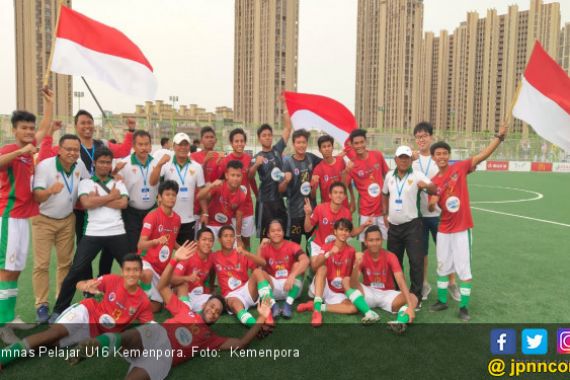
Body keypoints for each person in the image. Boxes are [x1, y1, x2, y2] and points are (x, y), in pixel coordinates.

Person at [73, 243, 272, 380]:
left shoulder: (209, 337)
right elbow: (162, 288)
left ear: (217, 318)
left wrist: (262, 317)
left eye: (217, 311)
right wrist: (174, 260)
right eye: (211, 306)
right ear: (203, 306)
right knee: (129, 337)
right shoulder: (186, 311)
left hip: (164, 355)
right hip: (156, 334)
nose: (213, 310)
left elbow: (241, 343)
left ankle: (99, 344)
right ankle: (93, 345)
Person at [0, 254, 153, 369]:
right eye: (128, 270)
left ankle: (80, 350)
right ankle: (3, 357)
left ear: (140, 272)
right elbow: (79, 284)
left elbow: (149, 326)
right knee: (52, 334)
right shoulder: (111, 280)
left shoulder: (143, 301)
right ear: (122, 271)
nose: (131, 274)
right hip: (86, 312)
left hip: (94, 333)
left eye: (135, 270)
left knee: (50, 345)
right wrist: (86, 286)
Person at [38, 111, 135, 277]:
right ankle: (88, 286)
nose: (87, 126)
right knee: (84, 249)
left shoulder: (102, 144)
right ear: (76, 126)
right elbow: (45, 156)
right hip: (80, 206)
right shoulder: (71, 148)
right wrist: (50, 134)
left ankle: (103, 279)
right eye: (83, 123)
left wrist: (130, 131)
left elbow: (124, 150)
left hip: (104, 202)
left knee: (109, 246)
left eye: (89, 122)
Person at [428, 123, 508, 321]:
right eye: (438, 154)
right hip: (444, 228)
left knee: (463, 268)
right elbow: (431, 206)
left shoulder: (460, 167)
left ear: (449, 155)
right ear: (433, 158)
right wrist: (433, 202)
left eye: (444, 153)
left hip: (462, 228)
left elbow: (483, 155)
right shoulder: (434, 181)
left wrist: (499, 137)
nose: (441, 156)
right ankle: (443, 300)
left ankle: (463, 307)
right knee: (442, 265)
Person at [51, 147, 130, 322]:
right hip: (93, 233)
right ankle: (58, 310)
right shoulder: (86, 182)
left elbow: (123, 203)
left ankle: (136, 305)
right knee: (76, 270)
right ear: (94, 163)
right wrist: (111, 197)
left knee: (132, 268)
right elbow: (86, 203)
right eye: (101, 162)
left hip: (117, 232)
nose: (105, 165)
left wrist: (99, 200)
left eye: (108, 162)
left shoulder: (119, 182)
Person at [0, 88, 52, 343]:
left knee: (16, 269)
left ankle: (8, 317)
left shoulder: (30, 146)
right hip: (9, 217)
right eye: (24, 128)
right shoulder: (11, 150)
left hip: (23, 218)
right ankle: (2, 323)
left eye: (31, 128)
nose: (30, 132)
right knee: (6, 270)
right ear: (14, 129)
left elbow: (45, 127)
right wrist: (20, 152)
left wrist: (49, 103)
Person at [31, 134, 86, 323]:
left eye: (76, 150)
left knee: (65, 264)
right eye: (68, 149)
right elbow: (37, 196)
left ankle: (60, 303)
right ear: (59, 150)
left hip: (67, 219)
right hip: (43, 220)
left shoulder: (79, 166)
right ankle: (41, 306)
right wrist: (49, 191)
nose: (72, 153)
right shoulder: (45, 166)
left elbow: (89, 182)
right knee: (41, 265)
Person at [297, 218, 379, 327]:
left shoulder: (352, 251)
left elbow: (353, 280)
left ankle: (317, 306)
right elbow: (315, 266)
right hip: (324, 285)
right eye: (341, 229)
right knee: (322, 268)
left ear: (349, 233)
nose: (344, 233)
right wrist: (329, 254)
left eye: (346, 230)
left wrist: (357, 264)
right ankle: (317, 313)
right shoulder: (327, 246)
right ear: (335, 231)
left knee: (353, 308)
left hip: (339, 291)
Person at [382, 145, 437, 305]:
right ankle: (397, 292)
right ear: (395, 159)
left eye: (407, 157)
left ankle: (416, 296)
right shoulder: (389, 176)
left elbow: (435, 189)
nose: (404, 160)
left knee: (416, 261)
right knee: (395, 261)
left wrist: (426, 186)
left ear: (410, 160)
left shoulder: (418, 175)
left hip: (413, 225)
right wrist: (385, 213)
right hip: (394, 227)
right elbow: (384, 194)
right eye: (401, 157)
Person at [412, 122, 459, 301]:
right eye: (418, 137)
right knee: (422, 252)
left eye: (424, 136)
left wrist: (435, 198)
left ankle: (452, 283)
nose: (421, 139)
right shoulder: (412, 160)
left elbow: (447, 182)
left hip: (439, 214)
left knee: (446, 250)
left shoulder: (438, 158)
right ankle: (424, 284)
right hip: (419, 216)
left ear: (431, 137)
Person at [350, 226, 418, 333]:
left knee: (413, 297)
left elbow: (400, 280)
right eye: (371, 240)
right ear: (366, 242)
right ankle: (369, 313)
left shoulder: (390, 256)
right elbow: (353, 284)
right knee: (348, 285)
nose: (375, 243)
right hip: (369, 293)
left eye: (377, 240)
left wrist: (410, 306)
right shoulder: (362, 257)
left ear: (382, 240)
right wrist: (355, 265)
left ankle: (400, 322)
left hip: (388, 294)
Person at [210, 226, 274, 327]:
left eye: (231, 236)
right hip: (231, 295)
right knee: (235, 305)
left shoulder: (241, 253)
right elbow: (206, 269)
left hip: (247, 290)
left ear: (234, 239)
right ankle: (256, 327)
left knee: (258, 272)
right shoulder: (214, 256)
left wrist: (247, 253)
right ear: (219, 239)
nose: (228, 239)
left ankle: (268, 314)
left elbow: (262, 264)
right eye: (225, 236)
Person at [150, 132, 205, 245]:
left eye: (186, 144)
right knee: (164, 253)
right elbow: (153, 182)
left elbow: (201, 192)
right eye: (180, 144)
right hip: (167, 219)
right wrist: (159, 164)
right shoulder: (166, 164)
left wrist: (205, 212)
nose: (183, 148)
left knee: (187, 255)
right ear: (174, 146)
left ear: (189, 146)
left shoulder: (197, 167)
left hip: (189, 220)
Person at [137, 180, 181, 312]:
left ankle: (139, 303)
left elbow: (171, 242)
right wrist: (155, 241)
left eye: (173, 195)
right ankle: (134, 296)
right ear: (160, 198)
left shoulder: (177, 219)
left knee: (157, 308)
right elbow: (141, 244)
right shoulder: (152, 216)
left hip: (162, 269)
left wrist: (183, 249)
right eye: (167, 194)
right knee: (147, 273)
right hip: (147, 263)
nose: (171, 198)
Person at [114, 130, 159, 253]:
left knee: (151, 249)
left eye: (146, 144)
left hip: (151, 211)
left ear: (150, 145)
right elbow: (114, 184)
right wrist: (113, 174)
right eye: (140, 144)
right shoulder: (124, 163)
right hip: (131, 213)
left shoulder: (157, 164)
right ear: (134, 146)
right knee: (132, 248)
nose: (144, 148)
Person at [344, 129, 390, 247]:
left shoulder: (377, 155)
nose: (359, 145)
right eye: (356, 143)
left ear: (366, 142)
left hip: (383, 210)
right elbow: (343, 186)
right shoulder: (352, 164)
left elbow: (388, 176)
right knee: (366, 245)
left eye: (361, 142)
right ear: (352, 145)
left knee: (384, 244)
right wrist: (346, 172)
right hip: (366, 211)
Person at [249, 117, 291, 239]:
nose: (267, 137)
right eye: (264, 135)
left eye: (269, 135)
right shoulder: (257, 157)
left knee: (282, 236)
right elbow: (250, 176)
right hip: (264, 202)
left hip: (279, 200)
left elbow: (288, 129)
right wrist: (256, 164)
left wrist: (285, 109)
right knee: (265, 238)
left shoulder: (277, 151)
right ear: (259, 138)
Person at [258, 220, 309, 319]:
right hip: (272, 290)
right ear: (268, 234)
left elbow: (306, 260)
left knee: (298, 264)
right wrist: (260, 248)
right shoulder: (265, 248)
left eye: (279, 230)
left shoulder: (292, 245)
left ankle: (288, 304)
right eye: (273, 231)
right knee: (260, 272)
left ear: (283, 232)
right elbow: (256, 269)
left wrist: (292, 276)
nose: (276, 233)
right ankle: (273, 306)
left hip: (291, 287)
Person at [279, 129, 322, 245]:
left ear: (307, 143)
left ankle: (312, 263)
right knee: (295, 246)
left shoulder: (311, 158)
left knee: (311, 245)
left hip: (311, 211)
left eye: (304, 142)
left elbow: (327, 163)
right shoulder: (287, 162)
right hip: (294, 213)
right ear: (293, 144)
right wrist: (286, 181)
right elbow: (280, 189)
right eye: (298, 142)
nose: (301, 145)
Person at [304, 181, 369, 257]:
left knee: (359, 257)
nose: (338, 195)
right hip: (318, 245)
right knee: (320, 267)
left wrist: (364, 225)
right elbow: (307, 229)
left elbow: (352, 233)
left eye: (341, 193)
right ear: (330, 195)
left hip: (335, 247)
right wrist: (308, 215)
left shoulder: (346, 213)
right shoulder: (320, 209)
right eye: (335, 192)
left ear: (344, 196)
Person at [219, 128, 258, 250]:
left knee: (246, 241)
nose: (239, 144)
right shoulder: (226, 160)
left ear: (245, 142)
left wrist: (257, 195)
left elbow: (251, 179)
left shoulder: (248, 159)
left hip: (246, 207)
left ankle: (246, 266)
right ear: (231, 143)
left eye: (242, 141)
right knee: (229, 241)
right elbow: (220, 182)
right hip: (229, 208)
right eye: (236, 141)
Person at [197, 160, 247, 240]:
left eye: (238, 176)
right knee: (205, 247)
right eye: (232, 175)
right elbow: (199, 196)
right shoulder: (218, 186)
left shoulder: (242, 196)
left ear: (242, 176)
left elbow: (239, 218)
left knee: (236, 248)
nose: (235, 178)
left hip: (226, 226)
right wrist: (211, 186)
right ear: (226, 175)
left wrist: (238, 237)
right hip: (209, 223)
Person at [172, 228, 215, 313]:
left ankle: (195, 313)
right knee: (183, 285)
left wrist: (209, 288)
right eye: (204, 239)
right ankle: (185, 311)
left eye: (210, 240)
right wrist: (187, 278)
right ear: (197, 242)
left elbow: (212, 271)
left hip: (198, 294)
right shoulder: (187, 255)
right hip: (182, 293)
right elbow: (172, 280)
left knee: (217, 302)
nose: (207, 243)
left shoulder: (211, 256)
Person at [191, 126, 223, 231]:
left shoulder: (220, 157)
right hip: (196, 203)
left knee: (209, 239)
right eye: (206, 137)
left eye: (212, 137)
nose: (210, 139)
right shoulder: (193, 156)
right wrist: (205, 161)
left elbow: (221, 180)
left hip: (214, 205)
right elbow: (192, 176)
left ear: (215, 140)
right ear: (201, 140)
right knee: (194, 239)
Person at [312, 135, 354, 210]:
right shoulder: (318, 169)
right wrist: (314, 187)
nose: (327, 149)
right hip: (327, 210)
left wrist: (353, 200)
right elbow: (313, 196)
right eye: (324, 147)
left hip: (343, 208)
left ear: (332, 147)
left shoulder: (341, 161)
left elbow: (349, 182)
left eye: (329, 146)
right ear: (320, 150)